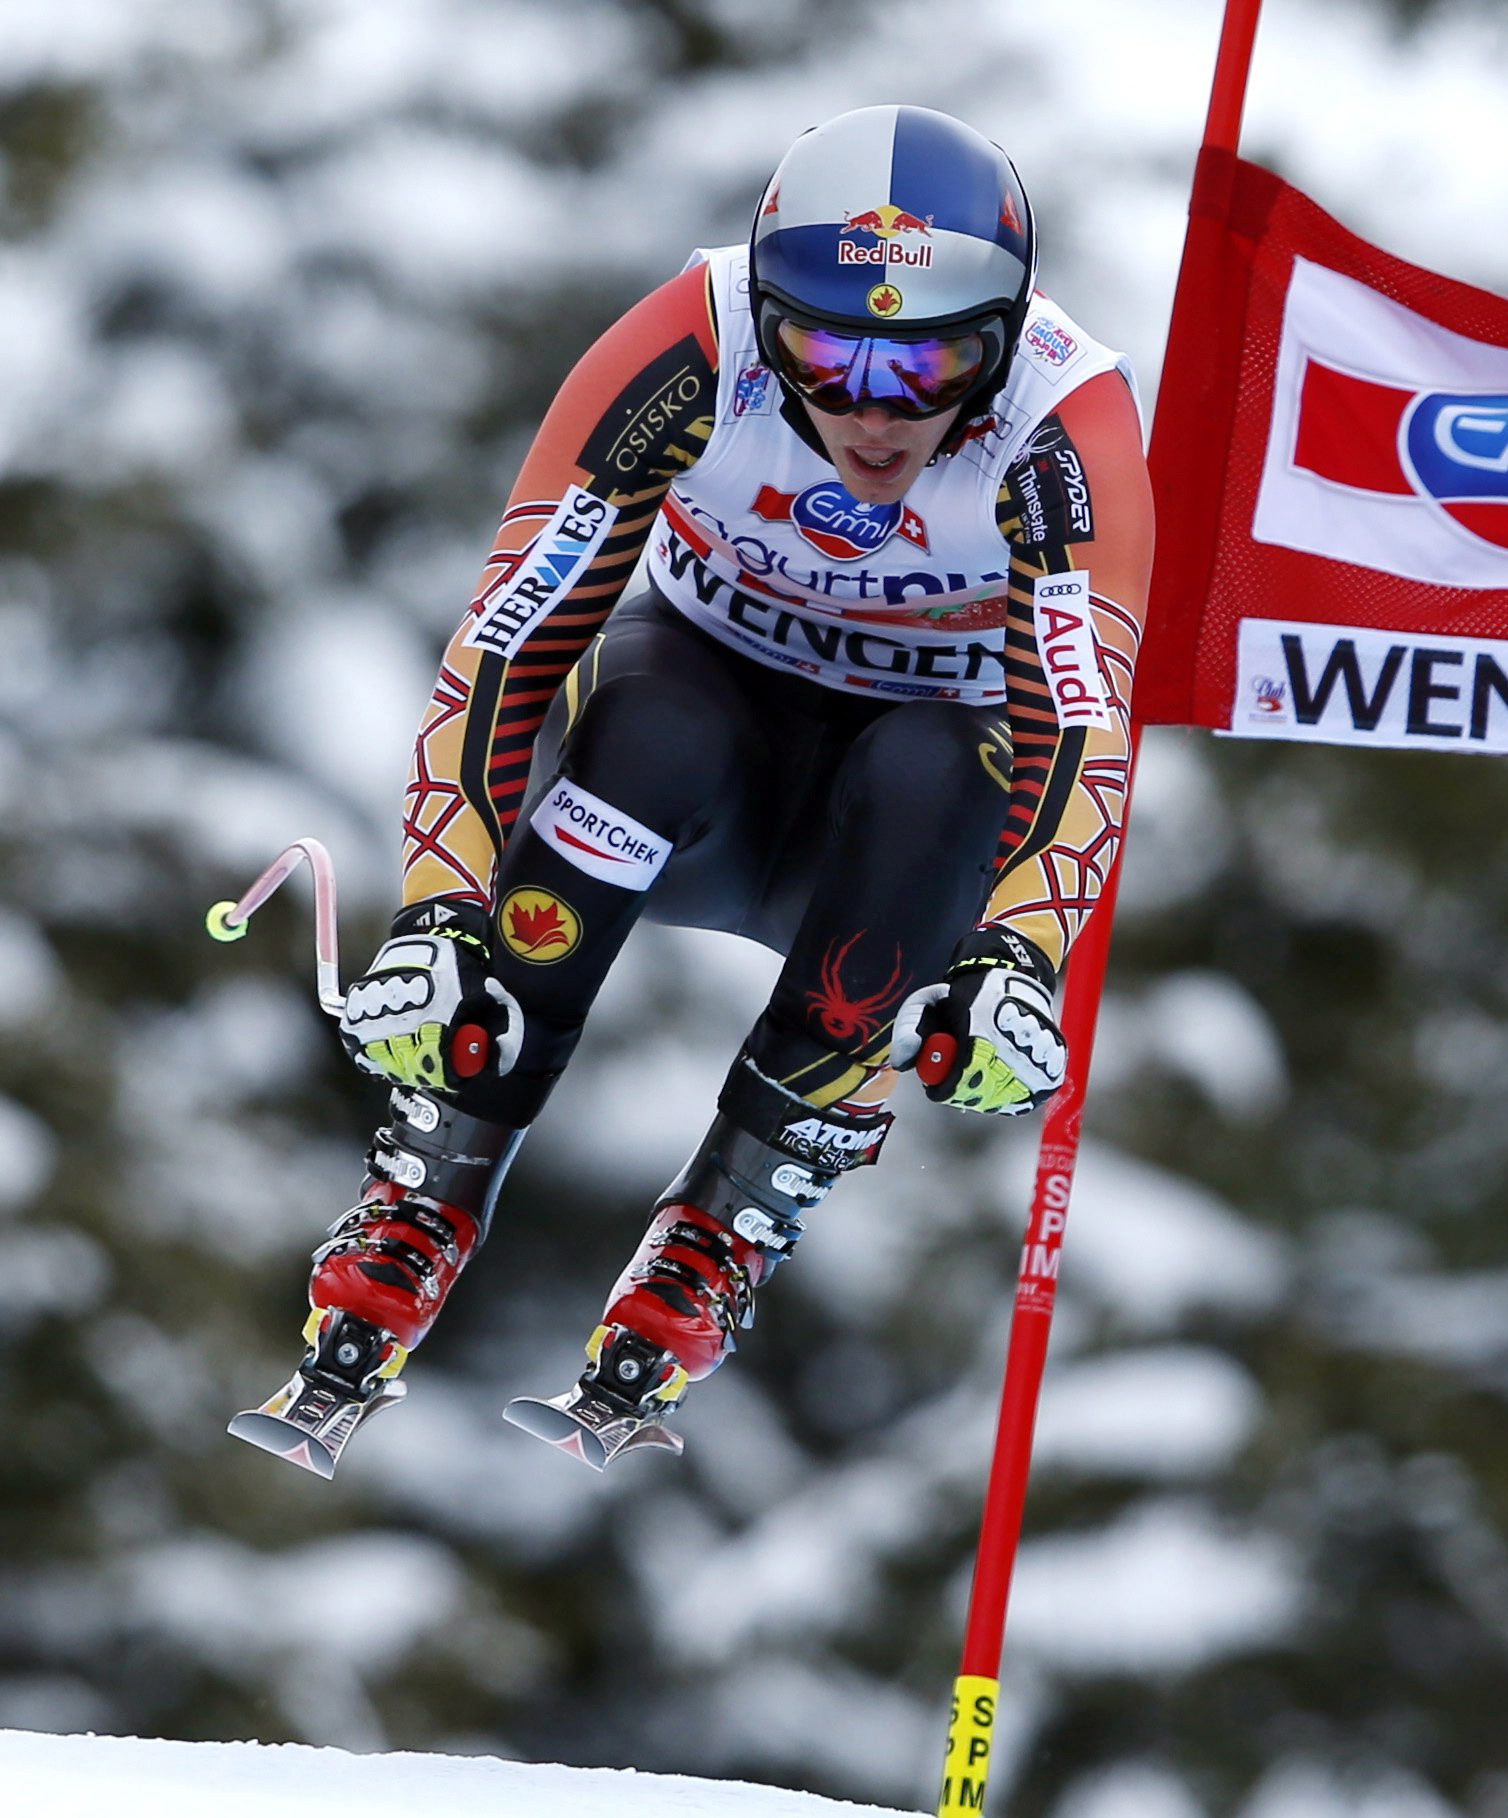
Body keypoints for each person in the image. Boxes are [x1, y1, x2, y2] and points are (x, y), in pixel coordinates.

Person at [230, 103, 1151, 1474]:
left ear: (1004, 341)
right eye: (826, 351)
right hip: (697, 760)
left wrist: (1020, 955)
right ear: (769, 319)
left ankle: (727, 1224)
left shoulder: (1062, 422)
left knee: (935, 769)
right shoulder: (693, 349)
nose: (873, 410)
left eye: (929, 362)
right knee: (652, 721)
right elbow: (509, 639)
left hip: (898, 820)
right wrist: (437, 908)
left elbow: (1083, 722)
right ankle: (430, 1180)